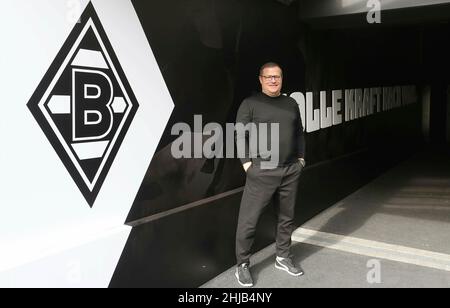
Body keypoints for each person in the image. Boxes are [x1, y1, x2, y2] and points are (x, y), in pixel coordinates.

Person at [234, 62, 306, 287]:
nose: (273, 80)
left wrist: (301, 159)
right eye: (269, 77)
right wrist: (247, 164)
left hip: (290, 169)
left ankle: (283, 257)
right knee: (249, 221)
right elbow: (239, 135)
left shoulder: (291, 103)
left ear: (282, 79)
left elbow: (299, 133)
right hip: (262, 171)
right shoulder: (250, 103)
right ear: (261, 79)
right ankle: (242, 265)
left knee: (286, 218)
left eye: (277, 76)